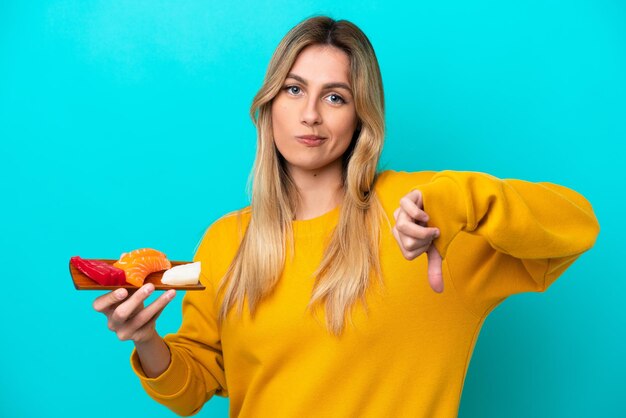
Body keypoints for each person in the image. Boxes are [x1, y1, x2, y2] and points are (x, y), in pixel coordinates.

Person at [92, 16, 600, 418]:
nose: (310, 113)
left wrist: (455, 203)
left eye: (335, 97)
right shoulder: (227, 242)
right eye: (294, 90)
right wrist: (146, 339)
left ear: (361, 117)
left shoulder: (425, 220)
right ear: (269, 105)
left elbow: (577, 224)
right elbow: (192, 388)